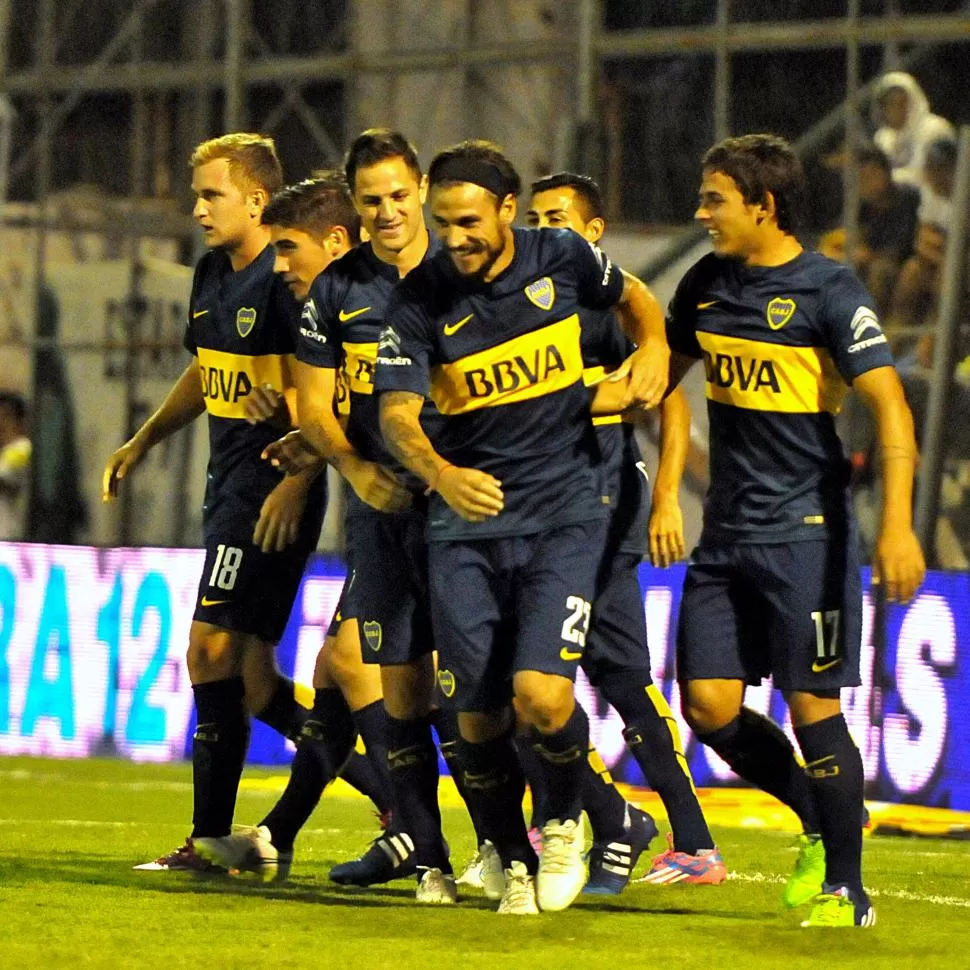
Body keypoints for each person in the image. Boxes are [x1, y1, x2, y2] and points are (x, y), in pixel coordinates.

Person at [375, 140, 669, 914]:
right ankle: (508, 857)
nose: (455, 237)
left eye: (468, 220)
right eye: (442, 222)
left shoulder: (564, 257)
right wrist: (441, 474)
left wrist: (658, 346)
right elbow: (397, 414)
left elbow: (635, 295)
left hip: (565, 516)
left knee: (541, 696)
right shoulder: (418, 301)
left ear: (507, 210)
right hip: (463, 527)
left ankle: (565, 823)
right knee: (476, 714)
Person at [665, 133, 925, 928]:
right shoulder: (707, 284)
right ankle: (818, 814)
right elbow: (659, 373)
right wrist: (666, 480)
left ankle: (849, 889)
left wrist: (899, 529)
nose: (701, 213)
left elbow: (891, 406)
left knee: (813, 709)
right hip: (726, 535)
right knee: (707, 706)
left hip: (807, 535)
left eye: (715, 200)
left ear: (763, 207)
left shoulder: (829, 292)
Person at [245, 129, 469, 904]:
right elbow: (322, 403)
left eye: (399, 197)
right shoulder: (340, 293)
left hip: (462, 514)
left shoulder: (465, 279)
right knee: (367, 673)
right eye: (372, 200)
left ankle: (587, 817)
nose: (388, 213)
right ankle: (416, 837)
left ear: (422, 195)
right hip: (380, 514)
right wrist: (345, 463)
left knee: (467, 686)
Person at [104, 134, 329, 872]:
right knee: (258, 685)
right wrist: (143, 440)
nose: (197, 208)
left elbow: (316, 394)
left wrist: (298, 477)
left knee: (208, 649)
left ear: (257, 200)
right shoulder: (211, 273)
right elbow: (209, 373)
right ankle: (393, 795)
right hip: (227, 484)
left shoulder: (287, 278)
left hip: (269, 487)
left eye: (212, 195)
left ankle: (207, 842)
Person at [192, 173, 402, 880]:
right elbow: (328, 405)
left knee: (487, 696)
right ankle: (313, 830)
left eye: (291, 249)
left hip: (431, 520)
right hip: (373, 518)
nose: (283, 267)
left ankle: (425, 827)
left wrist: (297, 474)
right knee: (317, 671)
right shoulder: (326, 307)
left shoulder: (384, 303)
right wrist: (308, 444)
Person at [525, 172, 725, 892]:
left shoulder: (608, 308)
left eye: (559, 218)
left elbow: (668, 400)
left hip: (603, 509)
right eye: (535, 218)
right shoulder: (522, 302)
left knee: (616, 676)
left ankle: (682, 835)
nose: (545, 231)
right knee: (525, 679)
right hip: (534, 511)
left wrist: (669, 497)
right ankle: (601, 819)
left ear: (596, 231)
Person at [871, 72, 954, 187]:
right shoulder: (883, 139)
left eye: (900, 104)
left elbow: (921, 175)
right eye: (889, 105)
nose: (894, 112)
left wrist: (887, 179)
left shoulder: (934, 128)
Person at [0, 391, 31, 541]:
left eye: (6, 416)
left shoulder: (21, 450)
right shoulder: (6, 452)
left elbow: (6, 481)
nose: (1, 422)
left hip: (8, 534)